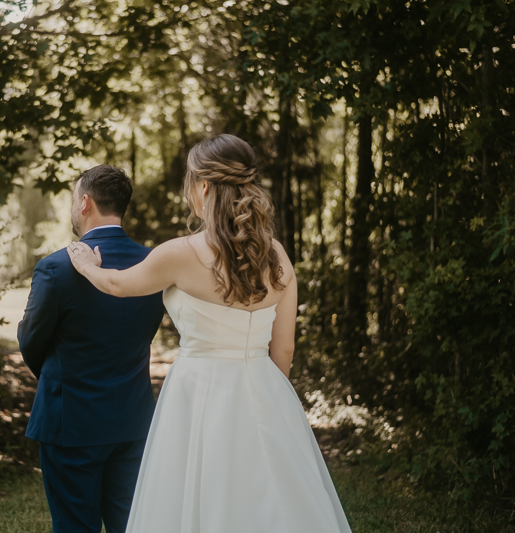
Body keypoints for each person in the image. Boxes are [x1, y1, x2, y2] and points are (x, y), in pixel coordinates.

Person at [67, 135, 352, 533]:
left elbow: (117, 285)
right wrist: (267, 401)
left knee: (194, 496)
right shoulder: (277, 256)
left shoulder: (179, 253)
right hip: (265, 389)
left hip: (198, 395)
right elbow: (283, 348)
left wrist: (85, 264)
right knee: (273, 499)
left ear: (202, 186)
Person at [18, 165, 165, 533]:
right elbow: (144, 333)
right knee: (131, 526)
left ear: (84, 203)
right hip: (132, 420)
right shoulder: (155, 265)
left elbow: (31, 342)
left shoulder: (54, 268)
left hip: (71, 421)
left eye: (72, 200)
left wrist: (62, 377)